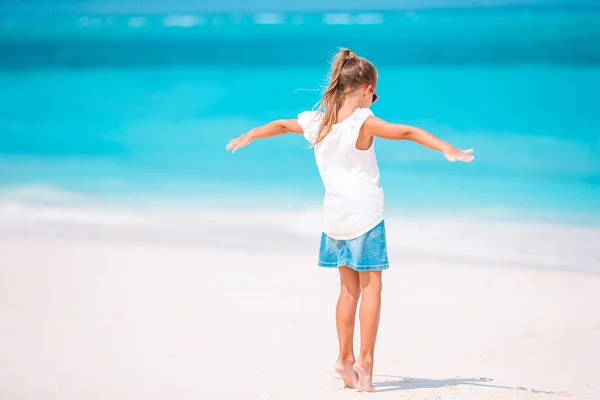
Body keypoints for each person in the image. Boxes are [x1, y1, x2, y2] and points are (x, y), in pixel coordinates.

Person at [226, 48, 474, 392]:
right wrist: (446, 147)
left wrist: (250, 134)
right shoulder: (363, 122)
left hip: (335, 219)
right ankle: (366, 363)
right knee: (372, 289)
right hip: (365, 217)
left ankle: (344, 358)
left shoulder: (317, 123)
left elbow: (282, 125)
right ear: (363, 88)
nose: (375, 98)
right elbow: (407, 132)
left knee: (347, 291)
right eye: (374, 92)